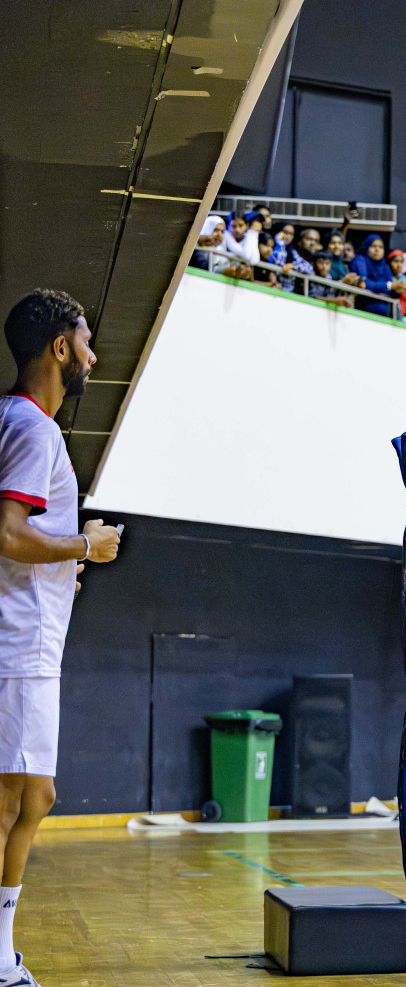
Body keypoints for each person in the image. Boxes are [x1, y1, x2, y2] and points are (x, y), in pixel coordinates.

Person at [0, 290, 123, 986]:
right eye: (84, 341)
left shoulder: (10, 421)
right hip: (20, 646)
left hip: (23, 633)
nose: (91, 355)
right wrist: (86, 545)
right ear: (58, 349)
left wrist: (58, 573)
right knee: (20, 800)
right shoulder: (34, 430)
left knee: (29, 797)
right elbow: (11, 534)